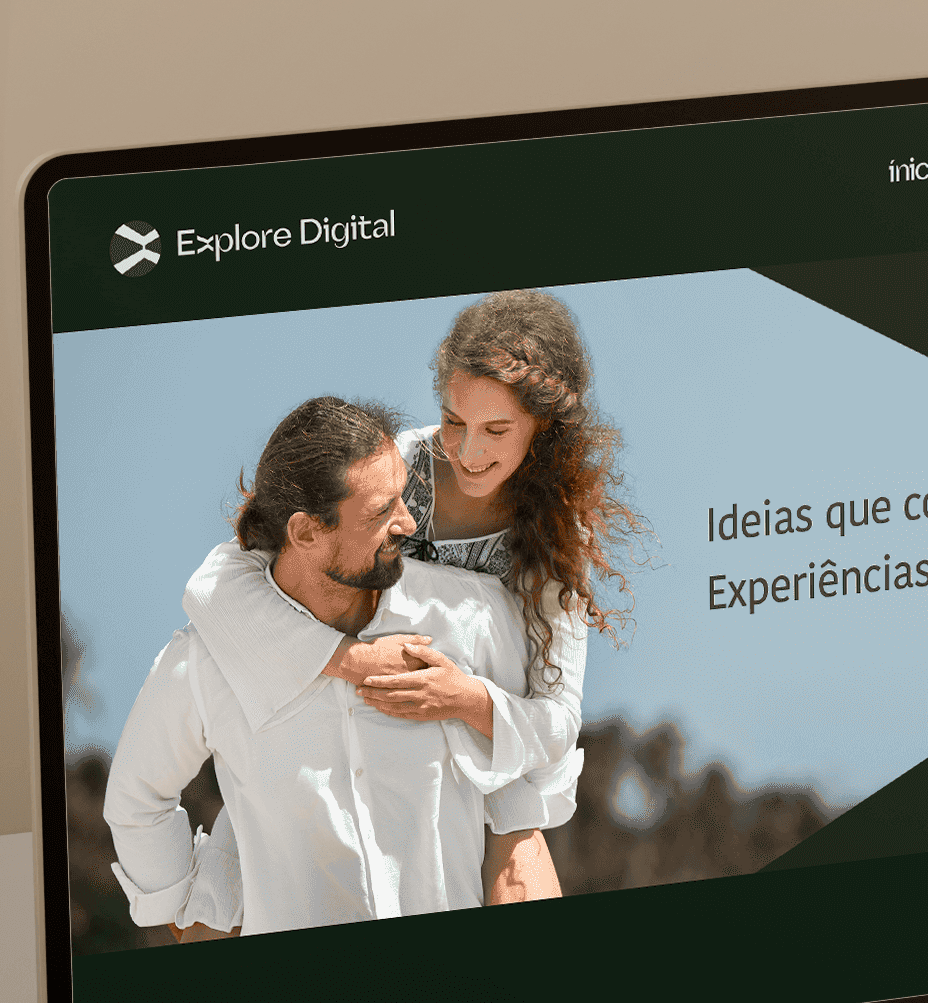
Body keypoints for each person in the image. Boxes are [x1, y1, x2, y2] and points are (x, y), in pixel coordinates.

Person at [179, 290, 638, 908]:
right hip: (340, 705)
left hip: (472, 741)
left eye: (497, 430)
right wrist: (349, 659)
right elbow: (214, 586)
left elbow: (557, 721)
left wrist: (466, 698)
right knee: (226, 893)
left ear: (543, 425)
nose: (469, 452)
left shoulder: (555, 535)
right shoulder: (393, 467)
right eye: (455, 421)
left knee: (516, 849)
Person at [100, 396, 556, 940]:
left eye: (402, 499)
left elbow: (518, 808)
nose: (408, 524)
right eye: (380, 512)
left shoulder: (472, 617)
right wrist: (184, 917)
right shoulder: (208, 660)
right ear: (306, 533)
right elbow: (136, 799)